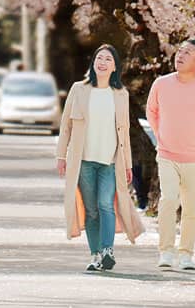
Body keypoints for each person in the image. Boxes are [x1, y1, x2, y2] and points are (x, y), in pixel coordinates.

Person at [56, 44, 144, 272]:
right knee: (91, 209)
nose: (102, 62)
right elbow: (65, 125)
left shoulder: (120, 95)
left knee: (106, 204)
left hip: (110, 161)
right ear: (93, 63)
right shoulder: (79, 89)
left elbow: (124, 132)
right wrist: (61, 155)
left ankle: (107, 250)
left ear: (115, 67)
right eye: (99, 58)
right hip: (83, 160)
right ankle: (95, 255)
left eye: (107, 59)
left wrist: (126, 162)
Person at [146, 38, 195, 270]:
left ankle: (186, 253)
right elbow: (152, 112)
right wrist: (162, 136)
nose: (180, 55)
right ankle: (166, 252)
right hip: (167, 153)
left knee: (191, 205)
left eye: (188, 53)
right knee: (168, 200)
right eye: (179, 51)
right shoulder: (161, 83)